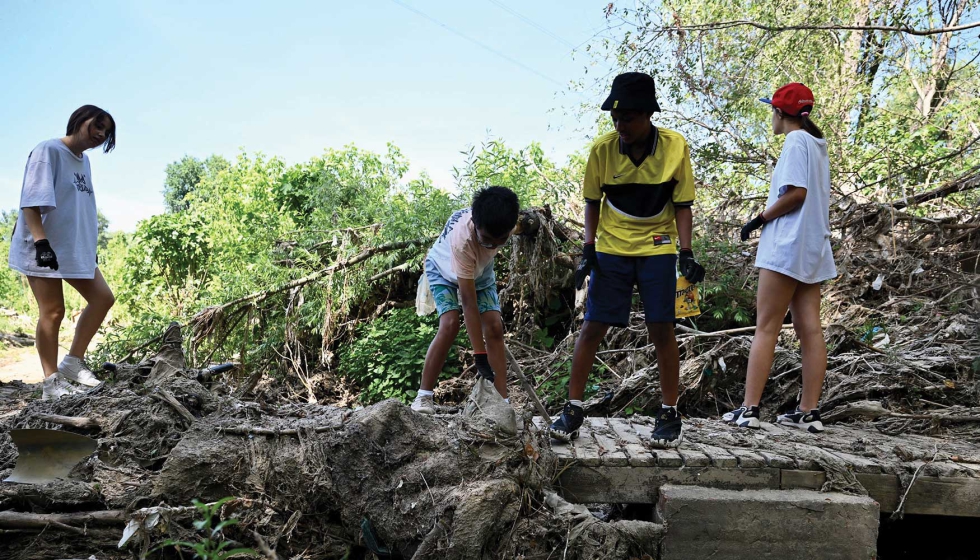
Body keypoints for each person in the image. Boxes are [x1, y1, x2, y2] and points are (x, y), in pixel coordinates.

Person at [548, 73, 705, 446]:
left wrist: (686, 252)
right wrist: (587, 250)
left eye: (629, 118)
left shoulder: (674, 147)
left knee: (662, 328)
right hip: (612, 248)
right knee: (593, 326)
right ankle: (573, 408)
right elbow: (592, 203)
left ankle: (669, 413)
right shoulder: (603, 150)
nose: (621, 126)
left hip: (657, 246)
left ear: (649, 114)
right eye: (615, 119)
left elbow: (682, 205)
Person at [723, 82, 836, 433]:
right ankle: (807, 412)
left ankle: (749, 409)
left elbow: (796, 194)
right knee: (810, 330)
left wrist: (759, 219)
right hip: (813, 246)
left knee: (766, 327)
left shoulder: (795, 141)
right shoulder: (817, 145)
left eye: (771, 110)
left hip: (787, 245)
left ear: (779, 113)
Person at [8, 105, 117, 401]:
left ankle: (71, 364)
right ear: (80, 120)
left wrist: (88, 247)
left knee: (103, 298)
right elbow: (31, 201)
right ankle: (51, 383)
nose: (100, 134)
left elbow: (80, 210)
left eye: (105, 132)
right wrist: (41, 244)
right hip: (42, 244)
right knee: (54, 311)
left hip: (72, 247)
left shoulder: (84, 162)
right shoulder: (49, 151)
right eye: (97, 126)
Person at [410, 186, 520, 413]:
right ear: (476, 226)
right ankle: (423, 396)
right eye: (487, 240)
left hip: (480, 272)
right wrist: (479, 357)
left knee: (495, 327)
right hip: (443, 270)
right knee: (450, 324)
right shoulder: (463, 239)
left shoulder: (506, 221)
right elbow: (468, 303)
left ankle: (501, 403)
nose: (493, 246)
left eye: (500, 241)